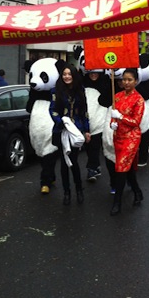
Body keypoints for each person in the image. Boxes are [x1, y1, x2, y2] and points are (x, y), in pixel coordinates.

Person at [50, 64, 90, 206]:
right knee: (63, 164)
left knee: (73, 162)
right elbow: (52, 110)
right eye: (64, 74)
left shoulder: (80, 90)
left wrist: (86, 130)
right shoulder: (56, 91)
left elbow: (84, 112)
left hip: (76, 131)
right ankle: (67, 192)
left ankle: (79, 190)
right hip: (61, 130)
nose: (67, 77)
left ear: (74, 76)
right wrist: (61, 122)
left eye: (69, 74)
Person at [108, 68, 144, 216]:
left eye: (129, 80)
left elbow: (136, 121)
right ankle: (137, 192)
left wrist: (121, 117)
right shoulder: (116, 96)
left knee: (121, 169)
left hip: (132, 137)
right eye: (124, 79)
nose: (126, 82)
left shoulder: (139, 100)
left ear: (135, 81)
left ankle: (117, 202)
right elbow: (113, 116)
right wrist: (112, 122)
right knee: (126, 168)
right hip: (119, 136)